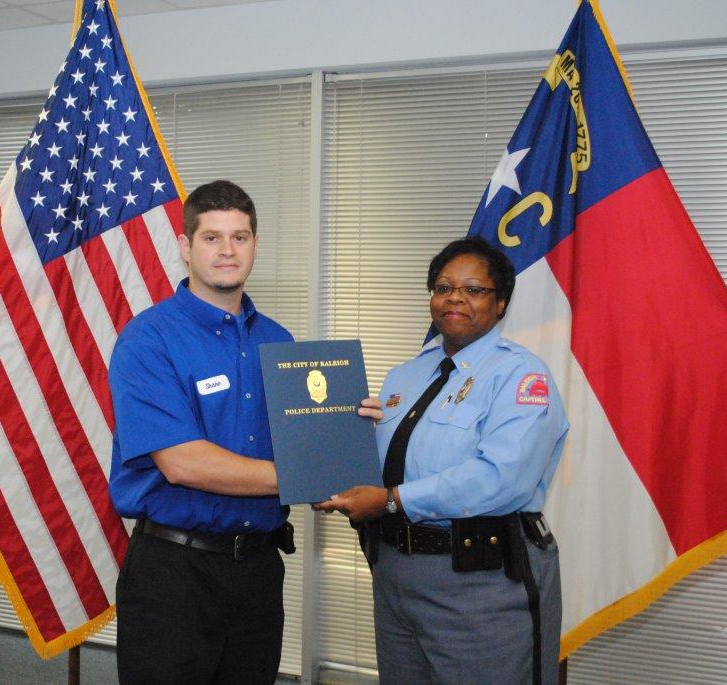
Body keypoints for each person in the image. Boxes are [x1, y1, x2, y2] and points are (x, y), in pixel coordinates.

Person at [108, 180, 379, 684]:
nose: (227, 250)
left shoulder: (280, 342)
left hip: (257, 570)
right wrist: (305, 474)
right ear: (186, 247)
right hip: (174, 573)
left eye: (240, 236)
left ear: (255, 244)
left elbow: (300, 440)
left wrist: (346, 429)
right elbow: (182, 463)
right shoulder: (148, 339)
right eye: (211, 237)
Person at [315, 236, 569, 685]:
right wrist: (329, 474)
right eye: (443, 287)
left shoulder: (522, 377)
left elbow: (500, 481)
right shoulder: (406, 375)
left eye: (474, 290)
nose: (455, 298)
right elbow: (388, 462)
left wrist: (390, 500)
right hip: (396, 575)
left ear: (501, 302)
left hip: (481, 584)